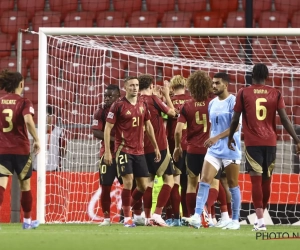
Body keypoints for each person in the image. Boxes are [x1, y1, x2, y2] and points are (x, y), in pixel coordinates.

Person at [228, 63, 300, 231]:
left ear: (252, 75)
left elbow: (235, 118)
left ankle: (260, 219)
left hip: (253, 142)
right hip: (271, 142)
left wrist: (231, 137)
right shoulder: (275, 93)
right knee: (267, 180)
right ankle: (261, 218)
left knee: (256, 180)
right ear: (267, 76)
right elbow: (284, 119)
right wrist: (297, 140)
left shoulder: (243, 92)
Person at [183, 72, 242, 230]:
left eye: (217, 83)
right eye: (213, 83)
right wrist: (213, 139)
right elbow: (214, 127)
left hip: (231, 148)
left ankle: (235, 220)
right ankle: (196, 216)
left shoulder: (234, 101)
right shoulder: (212, 103)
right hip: (214, 151)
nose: (214, 86)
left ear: (225, 85)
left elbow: (236, 126)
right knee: (204, 181)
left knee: (232, 184)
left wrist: (216, 137)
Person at [103, 76, 161, 227]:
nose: (135, 88)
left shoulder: (143, 103)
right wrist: (108, 152)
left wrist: (155, 146)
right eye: (132, 85)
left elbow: (148, 126)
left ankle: (125, 208)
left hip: (139, 151)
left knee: (143, 186)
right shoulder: (118, 105)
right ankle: (128, 218)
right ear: (125, 87)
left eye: (136, 85)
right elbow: (108, 128)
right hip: (123, 150)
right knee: (128, 182)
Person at [173, 70, 216, 227]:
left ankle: (194, 218)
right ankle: (207, 214)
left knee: (191, 184)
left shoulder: (187, 106)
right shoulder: (213, 102)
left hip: (192, 150)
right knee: (212, 184)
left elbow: (178, 131)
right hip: (211, 151)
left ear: (190, 86)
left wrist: (178, 147)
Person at [0, 70, 40, 229]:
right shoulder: (24, 102)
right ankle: (28, 222)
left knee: (1, 184)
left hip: (2, 150)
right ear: (21, 84)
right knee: (25, 185)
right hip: (21, 150)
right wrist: (36, 139)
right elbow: (28, 121)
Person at [138, 74, 177, 227]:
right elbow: (172, 113)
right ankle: (158, 214)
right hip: (159, 146)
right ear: (152, 86)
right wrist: (166, 95)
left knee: (148, 182)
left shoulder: (137, 101)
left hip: (143, 147)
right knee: (169, 180)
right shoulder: (154, 99)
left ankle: (147, 217)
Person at [92, 84, 121, 226]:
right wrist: (117, 140)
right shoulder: (100, 111)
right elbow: (96, 132)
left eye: (111, 96)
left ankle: (129, 215)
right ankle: (107, 218)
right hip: (106, 154)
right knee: (105, 185)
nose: (107, 98)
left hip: (125, 153)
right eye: (106, 96)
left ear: (118, 96)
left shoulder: (124, 109)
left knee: (130, 185)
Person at [166, 75, 191, 226]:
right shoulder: (192, 101)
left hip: (173, 145)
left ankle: (174, 218)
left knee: (173, 182)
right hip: (191, 146)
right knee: (189, 184)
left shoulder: (168, 104)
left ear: (172, 87)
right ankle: (189, 216)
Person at [33, 105, 67, 171]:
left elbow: (64, 147)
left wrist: (59, 160)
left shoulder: (59, 131)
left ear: (52, 117)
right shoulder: (37, 131)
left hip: (52, 167)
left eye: (47, 115)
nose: (45, 118)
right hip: (37, 167)